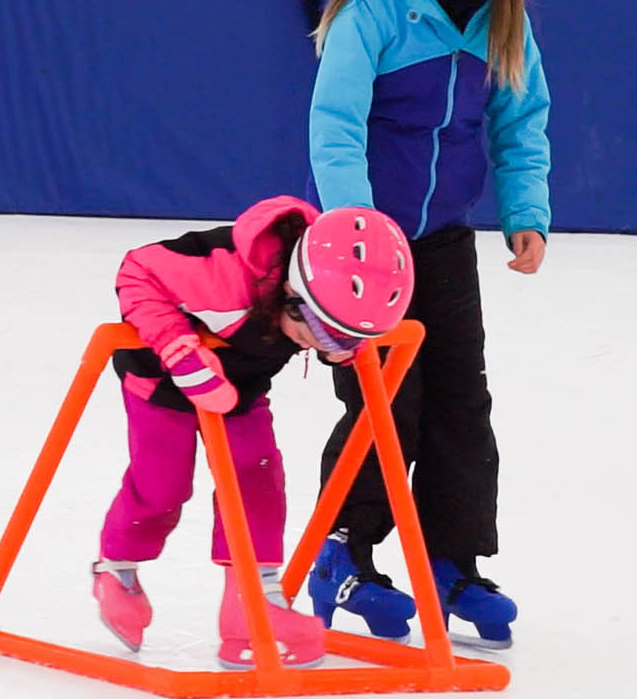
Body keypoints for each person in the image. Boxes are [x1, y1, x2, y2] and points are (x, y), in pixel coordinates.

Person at [304, 0, 550, 649]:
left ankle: (452, 560)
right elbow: (335, 123)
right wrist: (357, 226)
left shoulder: (500, 25)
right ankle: (341, 551)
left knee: (458, 401)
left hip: (442, 244)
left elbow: (521, 125)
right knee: (385, 403)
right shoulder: (372, 14)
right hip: (360, 253)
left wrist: (526, 213)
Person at [91, 196, 414, 668]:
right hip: (160, 377)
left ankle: (251, 604)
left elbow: (329, 332)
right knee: (162, 487)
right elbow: (138, 270)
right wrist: (179, 352)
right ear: (292, 291)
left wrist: (343, 345)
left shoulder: (308, 307)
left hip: (240, 383)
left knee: (259, 479)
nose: (328, 348)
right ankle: (116, 570)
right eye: (325, 335)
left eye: (346, 338)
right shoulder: (224, 273)